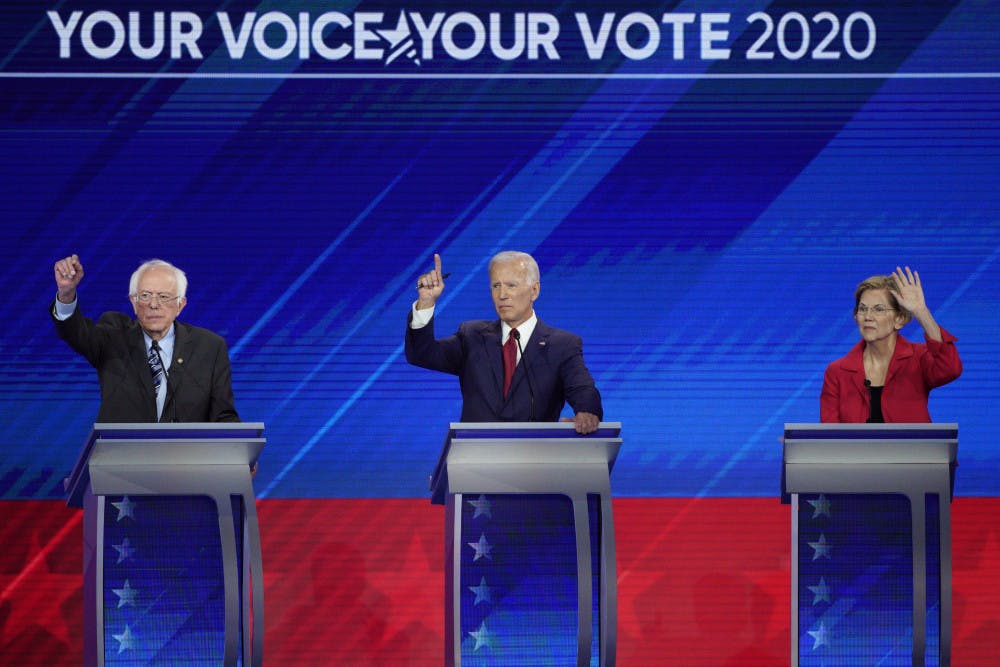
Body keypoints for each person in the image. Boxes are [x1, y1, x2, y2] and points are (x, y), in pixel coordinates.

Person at [405, 251, 603, 434]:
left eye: (511, 285)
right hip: (474, 461)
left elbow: (582, 390)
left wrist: (587, 413)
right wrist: (426, 302)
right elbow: (422, 354)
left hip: (535, 461)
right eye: (496, 286)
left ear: (534, 290)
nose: (502, 295)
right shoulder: (472, 336)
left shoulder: (562, 345)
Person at [50, 254, 240, 424]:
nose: (154, 304)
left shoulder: (209, 347)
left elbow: (223, 415)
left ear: (180, 305)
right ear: (134, 302)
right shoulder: (113, 337)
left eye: (164, 296)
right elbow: (75, 333)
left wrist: (240, 451)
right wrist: (66, 293)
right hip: (123, 457)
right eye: (145, 295)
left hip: (185, 459)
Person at [820, 266, 961, 423]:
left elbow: (950, 368)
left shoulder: (918, 358)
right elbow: (829, 435)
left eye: (878, 309)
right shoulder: (837, 372)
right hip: (854, 449)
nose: (868, 317)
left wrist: (921, 311)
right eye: (862, 309)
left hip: (912, 448)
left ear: (899, 319)